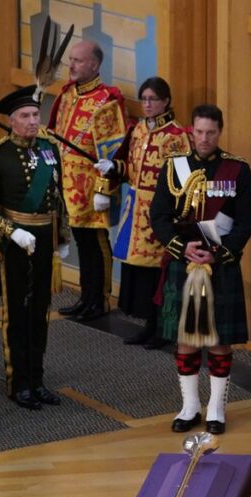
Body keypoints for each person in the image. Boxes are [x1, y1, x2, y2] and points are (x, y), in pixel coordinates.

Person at [149, 104, 251, 435]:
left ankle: (216, 408)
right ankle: (190, 405)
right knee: (186, 337)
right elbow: (160, 217)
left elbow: (246, 220)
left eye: (210, 132)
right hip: (185, 262)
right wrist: (184, 249)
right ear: (190, 132)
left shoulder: (236, 170)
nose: (204, 139)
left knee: (221, 339)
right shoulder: (173, 168)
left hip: (220, 266)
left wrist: (220, 253)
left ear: (219, 132)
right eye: (199, 132)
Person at [0, 85, 69, 410]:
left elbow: (57, 196)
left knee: (40, 311)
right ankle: (19, 383)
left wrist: (63, 237)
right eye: (26, 116)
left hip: (44, 239)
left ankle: (38, 379)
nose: (33, 121)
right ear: (12, 121)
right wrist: (12, 233)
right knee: (18, 312)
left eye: (35, 115)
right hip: (15, 243)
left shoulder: (48, 148)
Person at [95, 77, 189, 348]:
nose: (147, 104)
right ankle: (147, 325)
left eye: (153, 99)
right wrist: (114, 169)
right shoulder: (137, 130)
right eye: (144, 99)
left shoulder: (175, 136)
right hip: (134, 209)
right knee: (138, 273)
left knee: (157, 275)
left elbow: (183, 180)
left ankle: (161, 329)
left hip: (159, 213)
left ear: (166, 101)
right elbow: (130, 168)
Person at [49, 40, 128, 322]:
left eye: (78, 61)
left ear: (94, 65)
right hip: (68, 188)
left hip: (91, 188)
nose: (71, 65)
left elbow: (114, 151)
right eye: (70, 59)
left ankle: (100, 300)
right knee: (82, 243)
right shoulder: (68, 94)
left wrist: (104, 188)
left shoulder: (107, 101)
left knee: (96, 243)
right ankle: (85, 298)